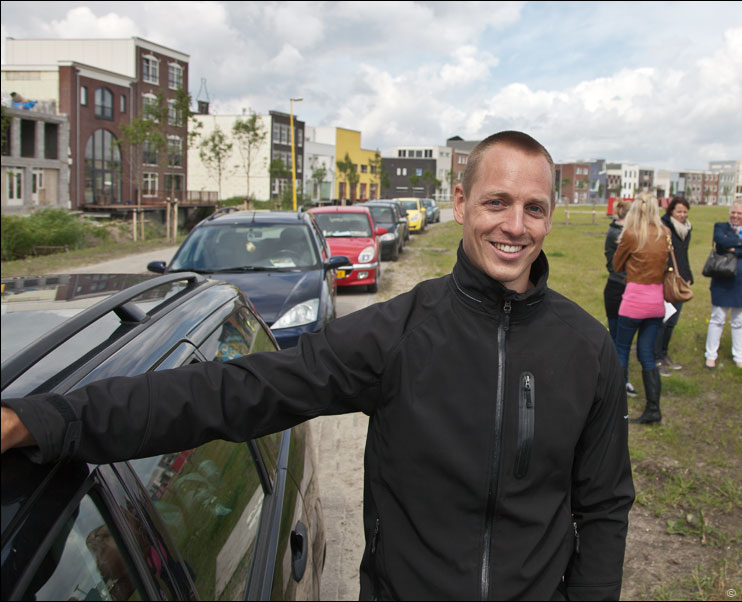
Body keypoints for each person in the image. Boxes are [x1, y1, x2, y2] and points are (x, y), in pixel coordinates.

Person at [1, 131, 635, 601]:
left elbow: (604, 505)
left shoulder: (585, 349)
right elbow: (235, 391)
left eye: (534, 209)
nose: (515, 227)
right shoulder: (399, 334)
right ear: (462, 202)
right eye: (498, 203)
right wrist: (44, 419)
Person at [612, 192, 669, 424]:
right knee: (647, 354)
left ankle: (614, 406)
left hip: (635, 298)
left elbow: (616, 264)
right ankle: (653, 408)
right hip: (656, 300)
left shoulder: (633, 234)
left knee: (621, 349)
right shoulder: (664, 233)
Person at [704, 200, 742, 369]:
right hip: (723, 277)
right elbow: (721, 243)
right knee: (717, 318)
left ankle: (739, 357)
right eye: (733, 212)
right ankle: (711, 355)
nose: (735, 216)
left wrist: (734, 248)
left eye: (739, 213)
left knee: (739, 320)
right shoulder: (720, 227)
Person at [654, 197, 693, 376]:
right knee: (662, 321)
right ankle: (657, 358)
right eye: (679, 211)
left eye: (685, 212)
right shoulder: (663, 227)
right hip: (665, 279)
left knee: (672, 322)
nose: (682, 215)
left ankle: (664, 352)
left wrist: (687, 276)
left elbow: (683, 255)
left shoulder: (686, 229)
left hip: (679, 279)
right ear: (671, 212)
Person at [604, 199, 638, 397]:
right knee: (618, 341)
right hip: (618, 289)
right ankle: (618, 383)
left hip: (621, 289)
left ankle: (618, 380)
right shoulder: (619, 234)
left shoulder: (621, 232)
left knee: (619, 340)